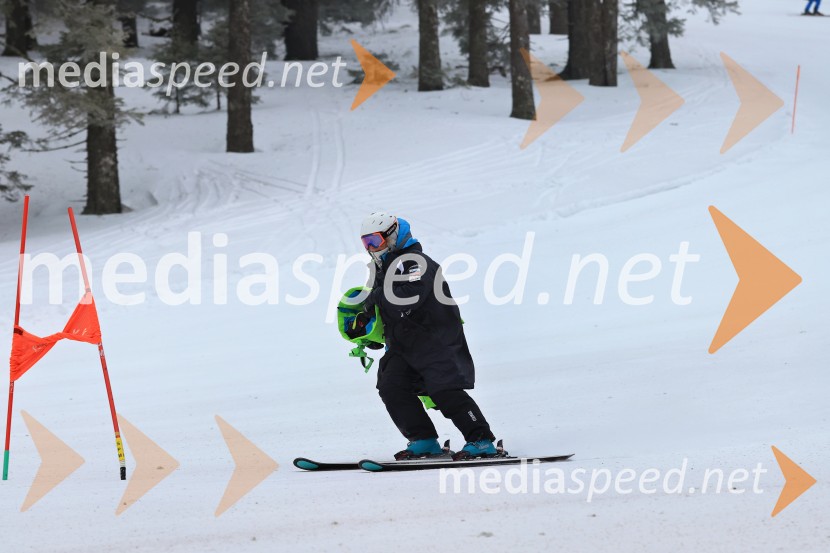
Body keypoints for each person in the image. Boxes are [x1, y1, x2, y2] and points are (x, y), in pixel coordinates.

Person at [358, 212, 498, 461]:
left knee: (443, 390)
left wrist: (375, 297)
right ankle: (423, 440)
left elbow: (410, 294)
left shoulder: (415, 262)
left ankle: (482, 440)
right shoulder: (386, 268)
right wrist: (368, 332)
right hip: (403, 345)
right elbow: (388, 309)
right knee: (392, 386)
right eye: (366, 242)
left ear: (393, 236)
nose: (371, 248)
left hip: (436, 341)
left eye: (375, 241)